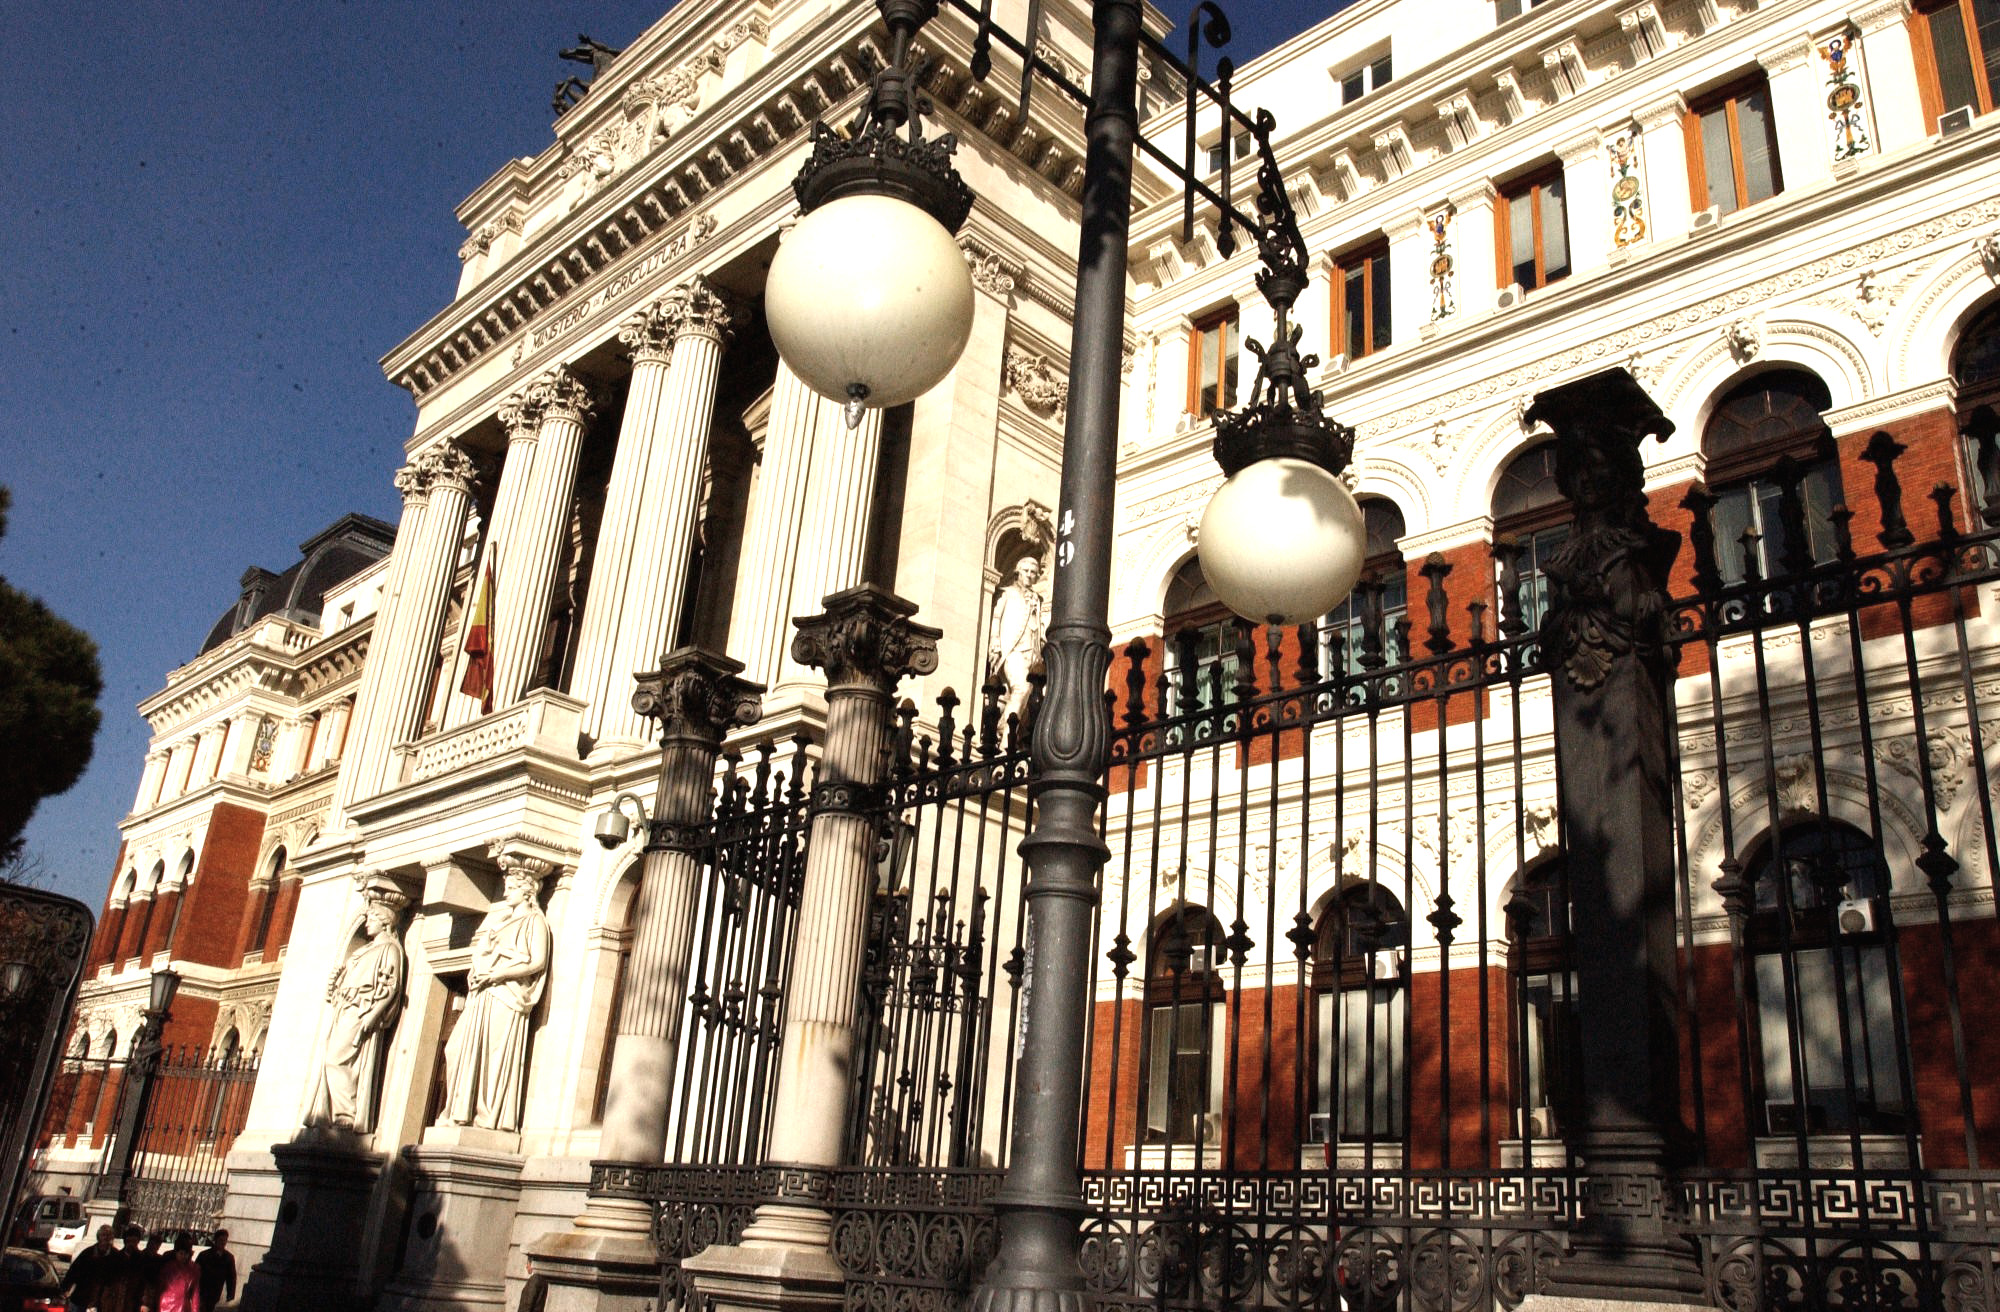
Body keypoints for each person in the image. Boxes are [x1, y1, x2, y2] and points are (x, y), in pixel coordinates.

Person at [439, 861, 551, 1131]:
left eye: (512, 887)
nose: (505, 892)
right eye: (507, 886)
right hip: (484, 992)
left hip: (506, 994)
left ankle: (485, 1116)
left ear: (527, 891)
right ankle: (458, 1109)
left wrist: (500, 974)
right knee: (454, 1049)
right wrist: (480, 970)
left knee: (494, 1054)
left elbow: (537, 961)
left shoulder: (535, 921)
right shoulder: (500, 921)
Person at [307, 880, 409, 1132]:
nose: (367, 922)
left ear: (386, 921)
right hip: (346, 1008)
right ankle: (333, 1112)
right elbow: (341, 987)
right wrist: (334, 988)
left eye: (372, 917)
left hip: (360, 1011)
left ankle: (346, 1112)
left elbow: (390, 987)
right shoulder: (362, 951)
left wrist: (372, 1015)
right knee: (332, 1059)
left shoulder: (389, 950)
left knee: (336, 1059)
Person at [986, 555, 1046, 733]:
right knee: (1022, 687)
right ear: (1018, 573)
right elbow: (996, 618)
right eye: (1026, 571)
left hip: (1033, 655)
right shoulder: (1007, 593)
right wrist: (995, 643)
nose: (1029, 575)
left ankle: (1014, 737)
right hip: (1013, 650)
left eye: (1033, 573)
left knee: (1030, 698)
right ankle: (1007, 737)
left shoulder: (1038, 599)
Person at [60, 1225, 125, 1312]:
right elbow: (74, 1271)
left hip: (103, 1299)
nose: (106, 1238)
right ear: (99, 1237)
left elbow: (118, 1277)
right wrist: (65, 1288)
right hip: (82, 1296)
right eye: (103, 1235)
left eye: (108, 1235)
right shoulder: (88, 1253)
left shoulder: (116, 1256)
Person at [142, 1232, 199, 1312]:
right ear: (176, 1253)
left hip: (183, 1306)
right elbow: (159, 1287)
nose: (183, 1256)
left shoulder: (194, 1269)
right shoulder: (167, 1266)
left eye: (186, 1254)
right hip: (166, 1305)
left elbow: (195, 1294)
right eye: (181, 1253)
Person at [194, 1229, 236, 1311]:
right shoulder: (204, 1255)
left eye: (225, 1240)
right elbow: (195, 1272)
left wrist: (230, 1293)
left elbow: (231, 1277)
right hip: (202, 1289)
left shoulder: (229, 1258)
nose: (223, 1242)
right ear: (215, 1240)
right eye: (221, 1240)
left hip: (215, 1291)